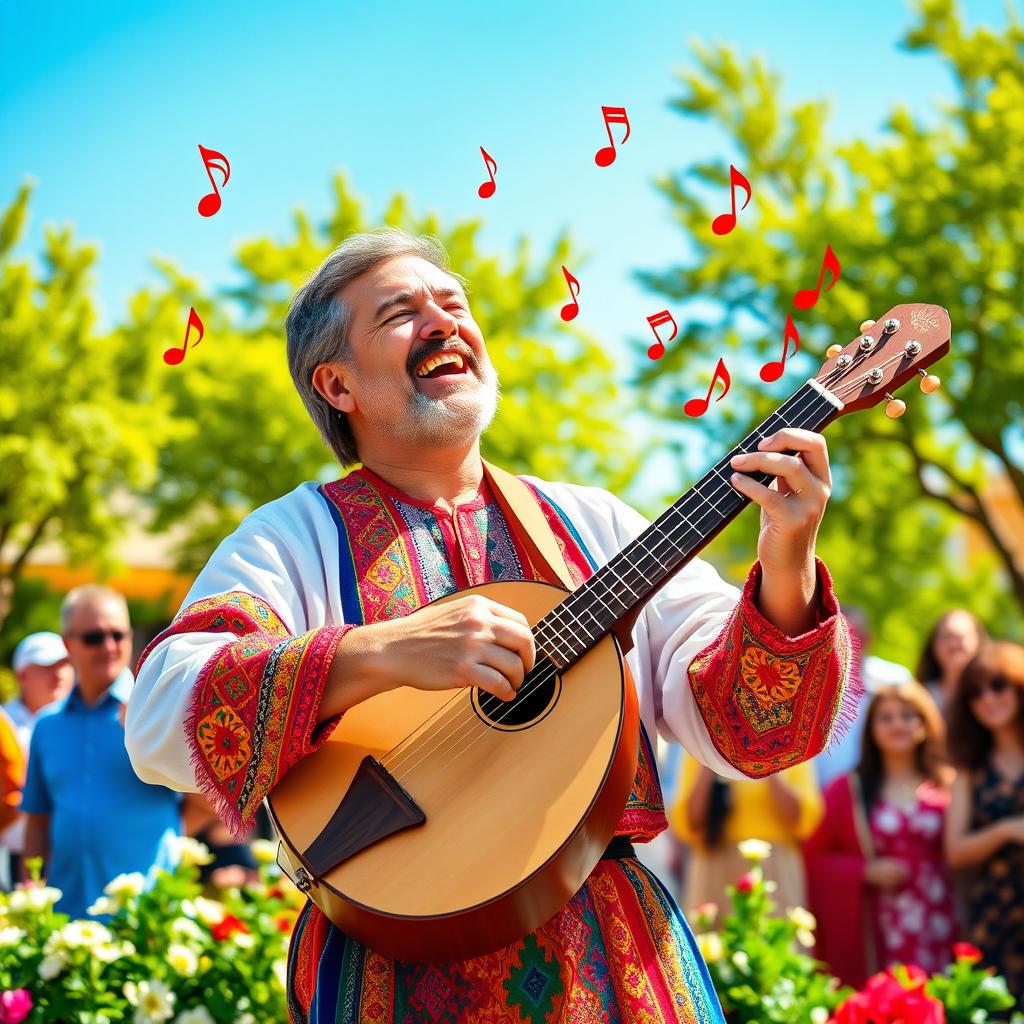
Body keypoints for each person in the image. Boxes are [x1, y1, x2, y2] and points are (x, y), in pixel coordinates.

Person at [126, 229, 852, 1023]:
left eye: (453, 304)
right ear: (336, 384)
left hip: (610, 962)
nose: (442, 323)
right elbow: (162, 715)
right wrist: (383, 651)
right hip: (390, 966)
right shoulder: (291, 537)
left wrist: (787, 566)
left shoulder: (593, 522)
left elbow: (755, 731)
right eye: (401, 313)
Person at [21, 585, 182, 919]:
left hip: (144, 923)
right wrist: (31, 894)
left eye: (118, 635)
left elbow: (209, 805)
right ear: (68, 645)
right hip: (66, 921)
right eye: (94, 637)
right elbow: (37, 819)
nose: (109, 646)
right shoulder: (47, 726)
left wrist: (171, 841)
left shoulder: (156, 713)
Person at [804, 681, 954, 988]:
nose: (897, 724)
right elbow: (814, 857)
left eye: (908, 715)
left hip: (942, 916)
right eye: (886, 717)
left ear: (926, 724)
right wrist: (863, 872)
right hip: (880, 926)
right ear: (871, 729)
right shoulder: (846, 790)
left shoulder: (948, 785)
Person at [945, 642, 1024, 1006]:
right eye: (975, 693)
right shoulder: (969, 768)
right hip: (995, 916)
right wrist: (1007, 830)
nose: (987, 699)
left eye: (997, 685)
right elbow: (956, 851)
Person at [669, 754, 822, 914]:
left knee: (775, 936)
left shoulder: (792, 740)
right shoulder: (699, 741)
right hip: (714, 868)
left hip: (773, 869)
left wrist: (767, 757)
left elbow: (801, 816)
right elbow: (689, 820)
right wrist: (711, 754)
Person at [0, 632, 73, 889]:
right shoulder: (4, 723)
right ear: (22, 675)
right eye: (47, 667)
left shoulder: (82, 721)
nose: (59, 674)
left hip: (70, 856)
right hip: (12, 856)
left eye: (65, 664)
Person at [814, 607, 913, 789]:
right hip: (822, 798)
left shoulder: (894, 679)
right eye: (838, 634)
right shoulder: (811, 685)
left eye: (854, 633)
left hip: (883, 796)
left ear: (868, 639)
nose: (846, 641)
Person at [917, 609, 988, 714]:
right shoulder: (921, 697)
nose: (953, 644)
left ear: (978, 641)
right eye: (946, 637)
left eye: (961, 637)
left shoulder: (993, 693)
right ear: (933, 645)